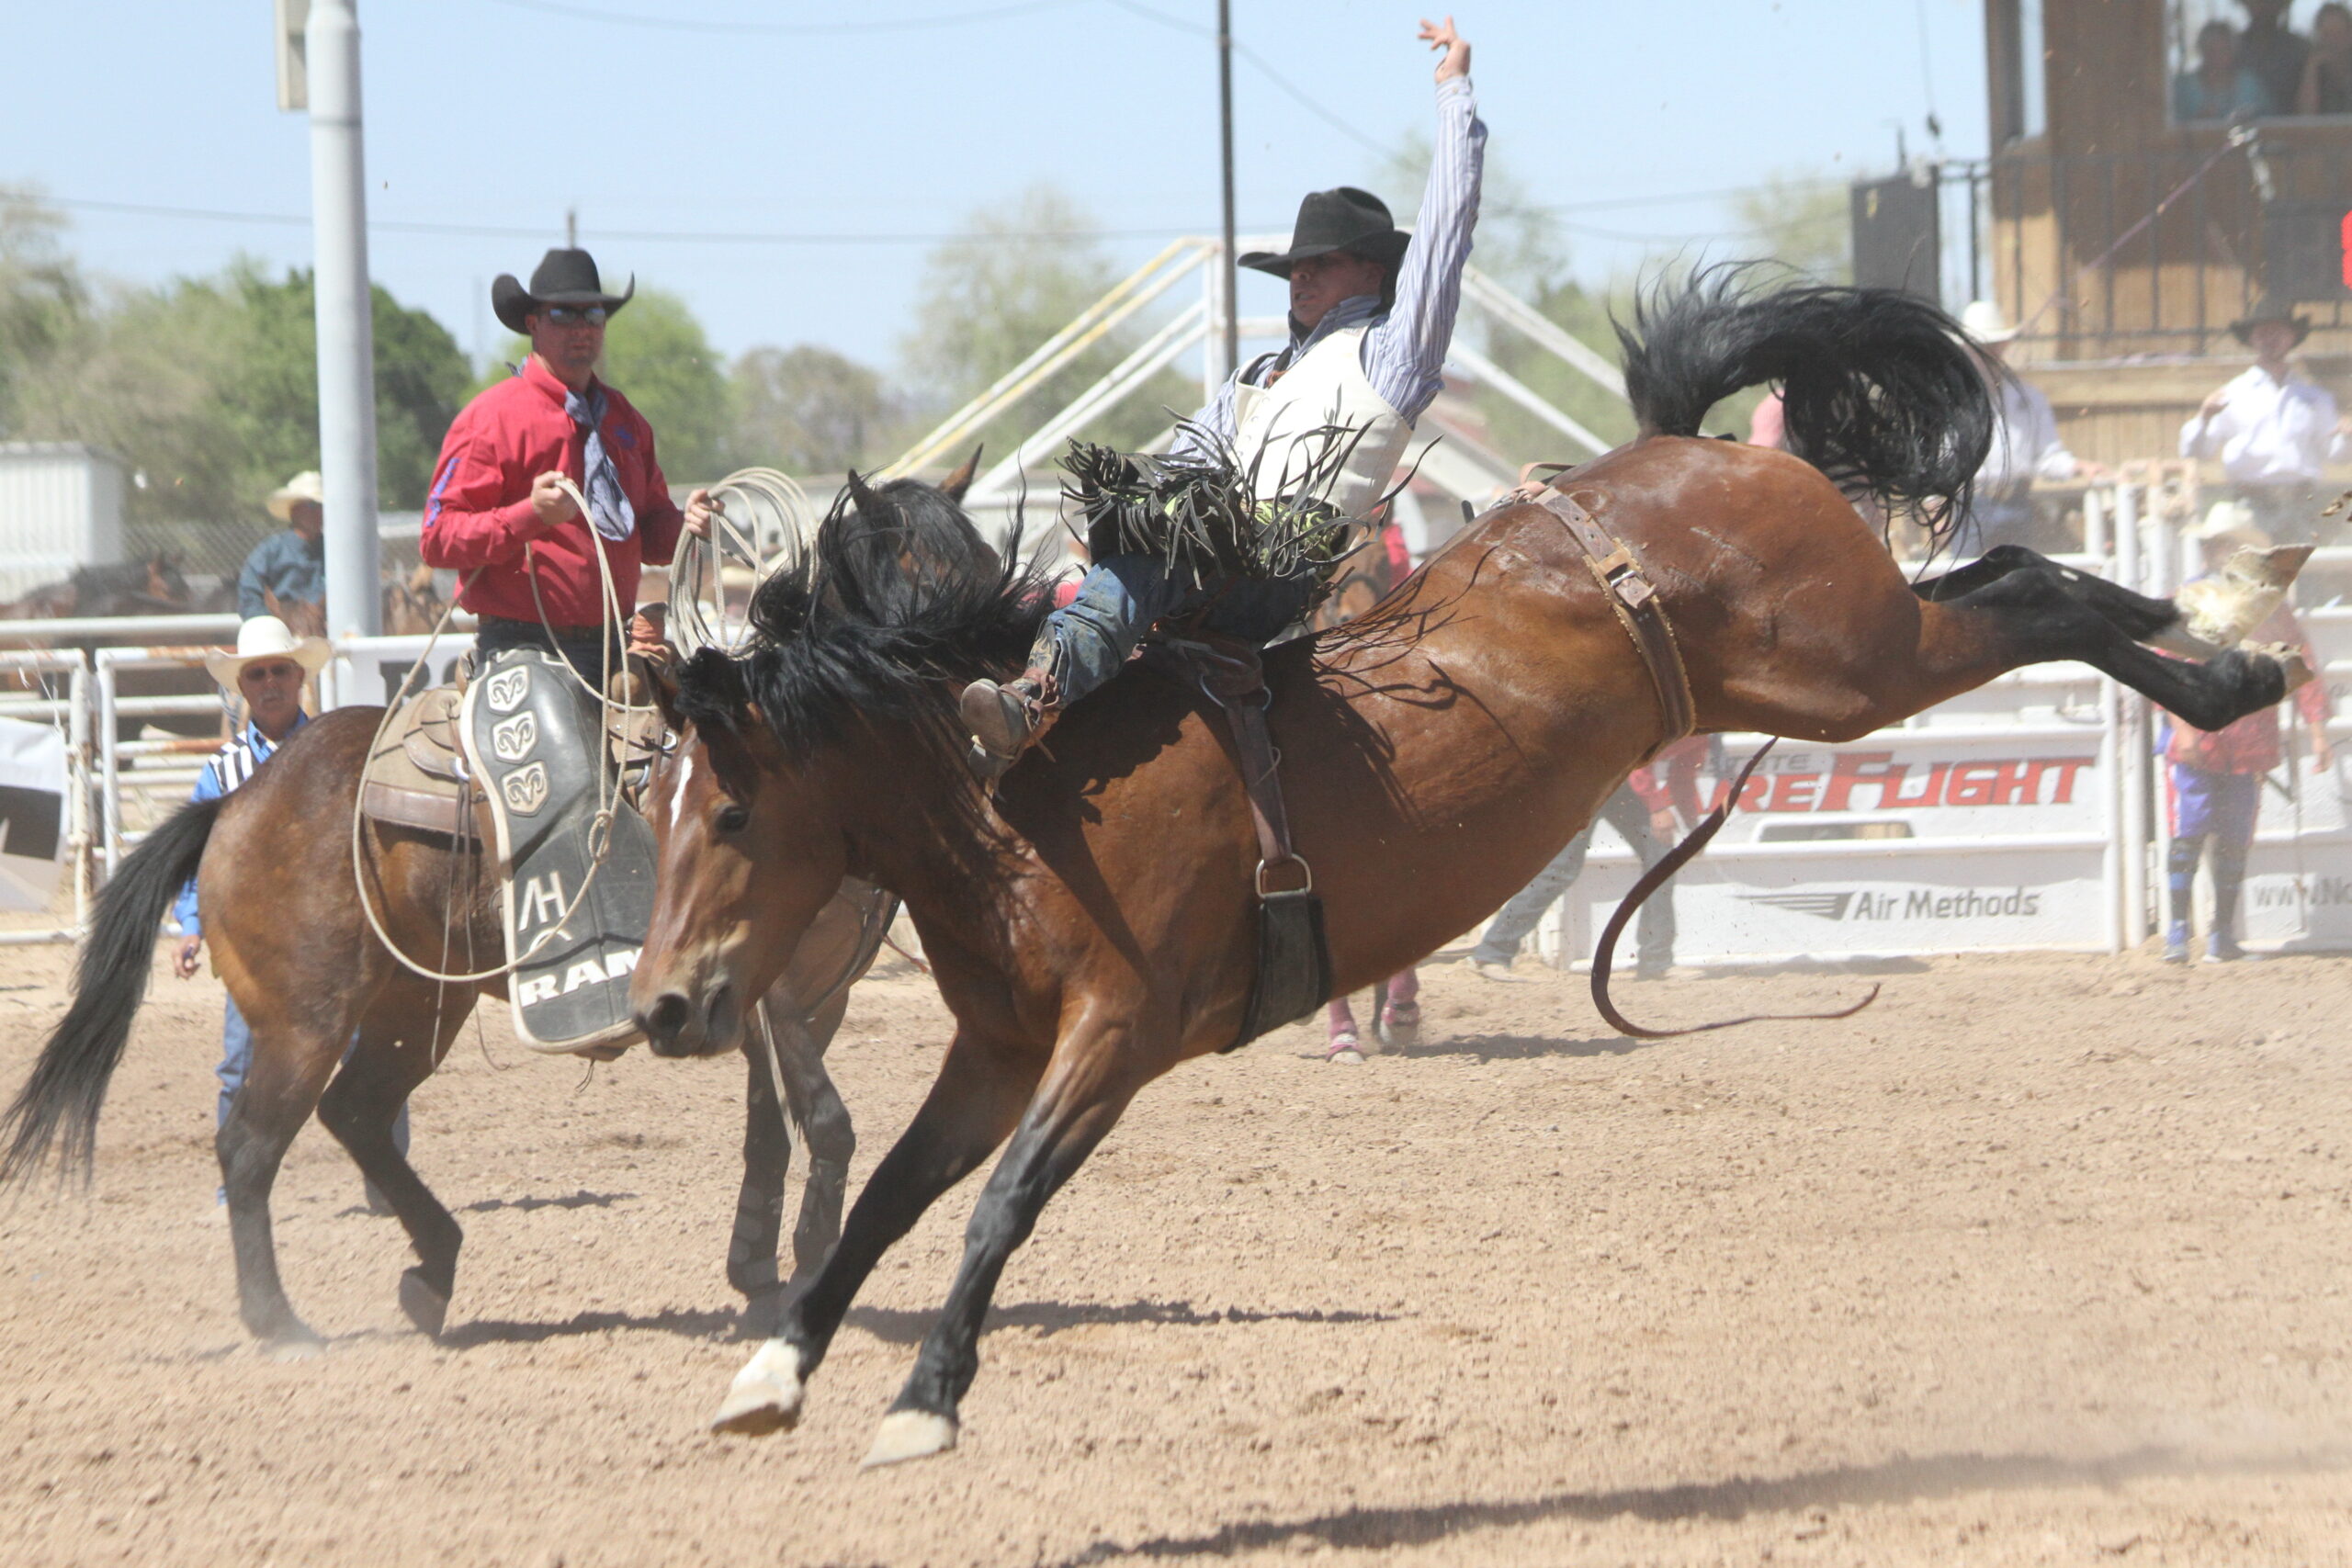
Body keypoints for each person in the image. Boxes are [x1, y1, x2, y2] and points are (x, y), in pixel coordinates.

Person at [959, 17, 1484, 769]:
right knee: (1100, 556)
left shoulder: (1393, 354)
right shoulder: (1256, 375)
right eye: (1294, 266)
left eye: (1321, 263)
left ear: (1373, 270)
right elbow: (1186, 463)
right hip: (1212, 551)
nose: (1299, 276)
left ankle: (1034, 697)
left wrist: (1453, 94)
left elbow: (1447, 231)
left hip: (1278, 570)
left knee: (1149, 563)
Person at [167, 617, 402, 1208]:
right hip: (257, 941)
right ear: (244, 687)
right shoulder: (221, 772)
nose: (270, 682)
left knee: (367, 1056)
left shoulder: (340, 758)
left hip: (337, 936)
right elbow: (197, 859)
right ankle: (239, 1188)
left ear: (298, 678)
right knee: (240, 1063)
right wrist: (192, 926)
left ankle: (385, 1184)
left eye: (279, 671)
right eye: (258, 673)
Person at [419, 247, 717, 682]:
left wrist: (688, 528)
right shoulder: (491, 419)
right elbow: (437, 538)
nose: (582, 329)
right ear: (533, 324)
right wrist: (530, 515)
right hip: (523, 649)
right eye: (563, 315)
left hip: (619, 644)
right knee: (568, 752)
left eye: (593, 315)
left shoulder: (625, 420)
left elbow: (651, 535)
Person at [2159, 507, 2333, 963]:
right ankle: (2178, 933)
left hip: (2247, 740)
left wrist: (2317, 730)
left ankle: (2220, 935)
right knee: (2189, 833)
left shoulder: (2270, 606)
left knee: (2235, 836)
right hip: (2199, 735)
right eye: (2225, 546)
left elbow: (2299, 662)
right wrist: (2182, 727)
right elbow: (2167, 670)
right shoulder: (2188, 599)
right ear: (2212, 550)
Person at [1465, 739, 1707, 985]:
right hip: (1588, 778)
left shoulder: (1700, 736)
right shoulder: (1681, 716)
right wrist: (1657, 809)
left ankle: (1657, 961)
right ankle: (1491, 954)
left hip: (1621, 783)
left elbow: (1682, 778)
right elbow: (1637, 762)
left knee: (1662, 860)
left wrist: (1694, 827)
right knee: (1560, 869)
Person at [2178, 297, 2352, 545]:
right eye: (2263, 333)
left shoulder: (2313, 398)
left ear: (2292, 337)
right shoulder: (2232, 395)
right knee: (2255, 571)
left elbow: (2337, 454)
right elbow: (2196, 451)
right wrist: (2204, 418)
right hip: (2251, 505)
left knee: (2304, 572)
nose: (2271, 339)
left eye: (2278, 332)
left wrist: (2346, 436)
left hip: (2303, 505)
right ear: (2251, 339)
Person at [1955, 300, 2099, 554]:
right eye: (1979, 349)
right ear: (1966, 352)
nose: (1986, 355)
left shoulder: (2029, 399)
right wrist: (1934, 500)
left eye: (1992, 347)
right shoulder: (1950, 403)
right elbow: (1938, 462)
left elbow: (2047, 456)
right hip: (1970, 507)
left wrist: (2078, 466)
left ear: (2003, 347)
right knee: (1964, 585)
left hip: (2017, 504)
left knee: (2019, 585)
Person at [236, 471, 327, 626]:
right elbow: (250, 597)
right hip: (280, 631)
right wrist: (269, 625)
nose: (320, 512)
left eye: (322, 506)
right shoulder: (270, 552)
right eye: (313, 505)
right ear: (295, 510)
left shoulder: (333, 552)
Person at [2176, 19, 2268, 119]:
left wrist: (2251, 119)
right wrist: (2199, 121)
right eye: (2211, 51)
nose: (2217, 57)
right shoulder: (2183, 87)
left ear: (2234, 51)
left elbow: (2271, 121)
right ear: (2201, 51)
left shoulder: (2250, 85)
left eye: (2224, 51)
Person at [2236, 0, 2312, 114]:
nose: (2263, 8)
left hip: (2291, 127)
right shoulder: (2232, 49)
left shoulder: (2301, 49)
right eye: (2257, 3)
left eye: (2270, 2)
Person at [2297, 1, 2352, 111]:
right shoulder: (2313, 69)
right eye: (2327, 35)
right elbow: (2305, 114)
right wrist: (2312, 69)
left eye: (2338, 34)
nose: (2333, 42)